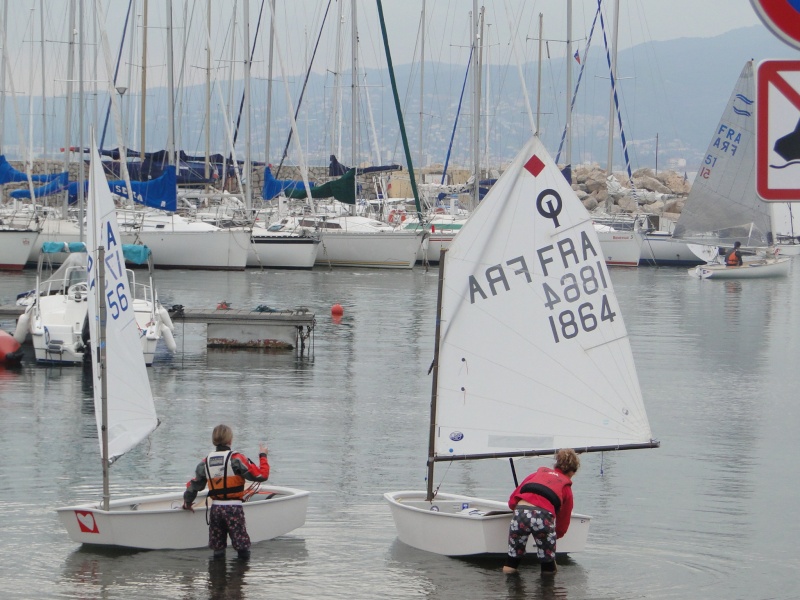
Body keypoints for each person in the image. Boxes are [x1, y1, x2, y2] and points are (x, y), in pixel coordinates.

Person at [182, 424, 270, 560]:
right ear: (230, 440)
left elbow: (194, 486)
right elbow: (261, 476)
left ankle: (216, 579)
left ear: (214, 441)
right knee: (242, 547)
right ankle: (239, 577)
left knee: (218, 549)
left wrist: (187, 503)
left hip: (216, 510)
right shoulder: (237, 459)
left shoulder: (206, 462)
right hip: (234, 509)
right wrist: (263, 455)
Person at [502, 448, 581, 576]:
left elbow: (512, 501)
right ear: (572, 472)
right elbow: (563, 520)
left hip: (520, 513)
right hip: (543, 517)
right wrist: (554, 537)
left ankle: (510, 590)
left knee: (512, 560)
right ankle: (547, 592)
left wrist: (520, 513)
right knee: (548, 566)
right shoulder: (566, 487)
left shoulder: (536, 475)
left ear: (556, 464)